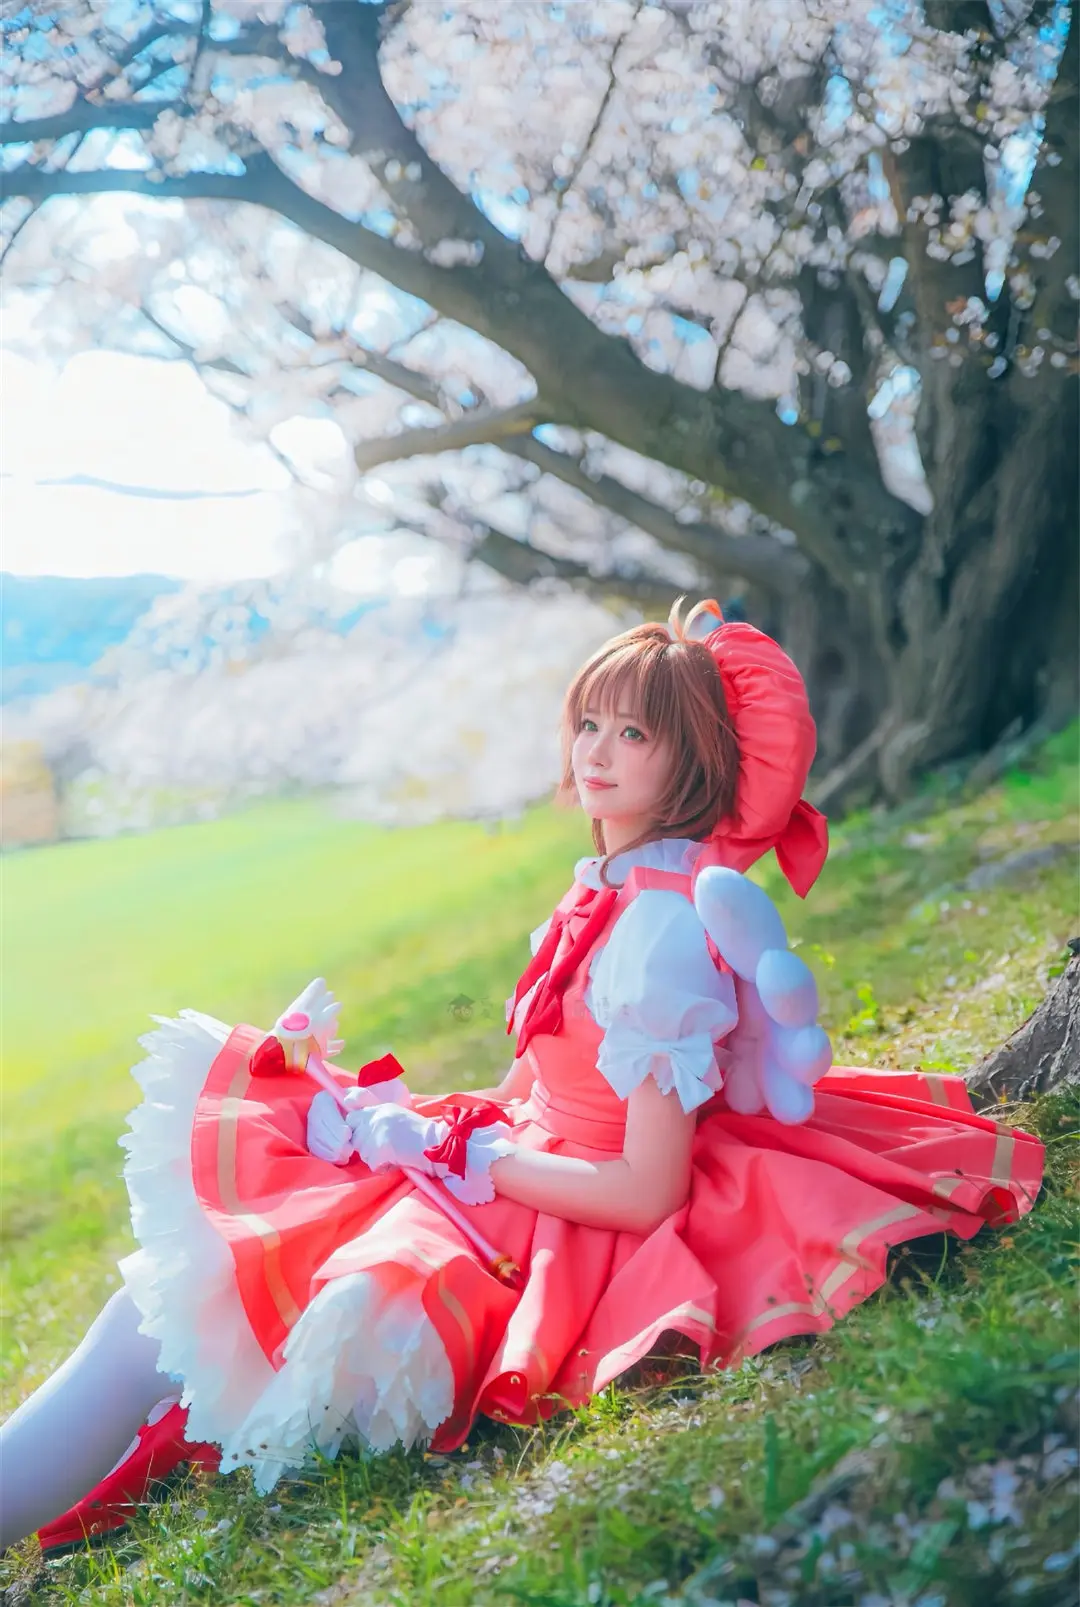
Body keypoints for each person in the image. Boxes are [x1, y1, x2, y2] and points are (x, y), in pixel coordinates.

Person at [0, 600, 1044, 1552]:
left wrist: (466, 1156)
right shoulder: (609, 889)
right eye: (590, 722)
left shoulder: (659, 935)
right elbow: (538, 1079)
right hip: (517, 1160)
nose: (596, 751)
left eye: (634, 734)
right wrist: (388, 1120)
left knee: (164, 1316)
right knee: (178, 1295)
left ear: (694, 762)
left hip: (559, 1211)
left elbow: (647, 1187)